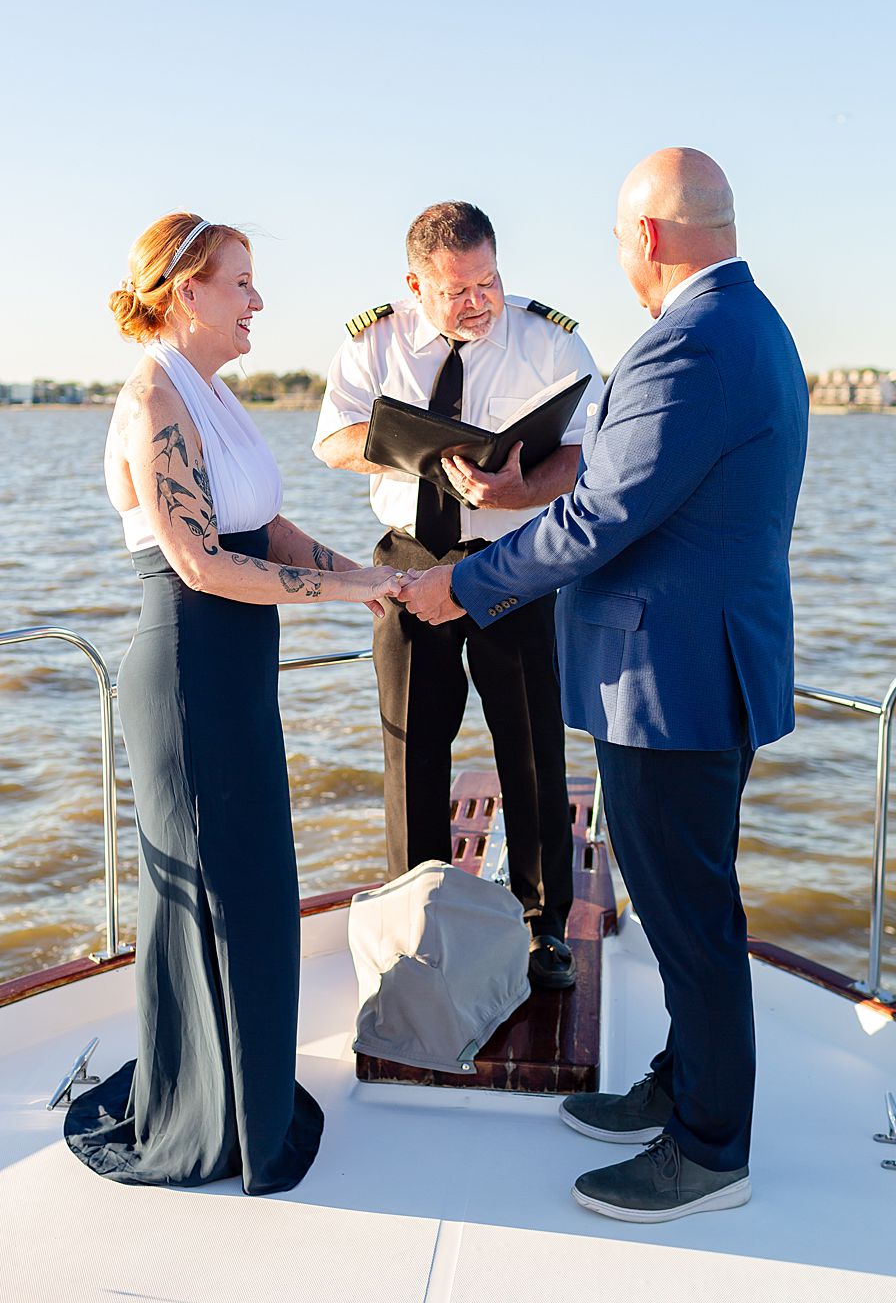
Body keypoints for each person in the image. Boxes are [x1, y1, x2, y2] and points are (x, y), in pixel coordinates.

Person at [399, 149, 807, 1222]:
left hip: (672, 680)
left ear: (650, 238)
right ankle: (683, 1081)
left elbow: (601, 515)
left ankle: (708, 1148)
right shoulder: (747, 325)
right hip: (690, 667)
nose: (619, 256)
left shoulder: (690, 343)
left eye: (621, 237)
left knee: (690, 916)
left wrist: (464, 584)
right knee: (686, 906)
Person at [63, 212, 401, 1195]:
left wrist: (366, 575)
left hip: (236, 678)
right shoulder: (152, 397)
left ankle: (245, 1095)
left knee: (254, 890)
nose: (258, 300)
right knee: (221, 892)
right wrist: (345, 596)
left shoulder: (214, 393)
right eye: (240, 282)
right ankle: (208, 1120)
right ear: (186, 292)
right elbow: (201, 563)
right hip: (185, 677)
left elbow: (269, 526)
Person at [314, 202, 603, 989]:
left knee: (533, 749)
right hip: (408, 562)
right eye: (455, 290)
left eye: (489, 280)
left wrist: (514, 493)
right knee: (411, 748)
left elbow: (588, 454)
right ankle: (417, 920)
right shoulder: (373, 341)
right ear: (414, 284)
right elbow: (333, 439)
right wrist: (419, 457)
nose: (478, 300)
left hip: (513, 562)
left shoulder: (551, 340)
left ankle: (544, 930)